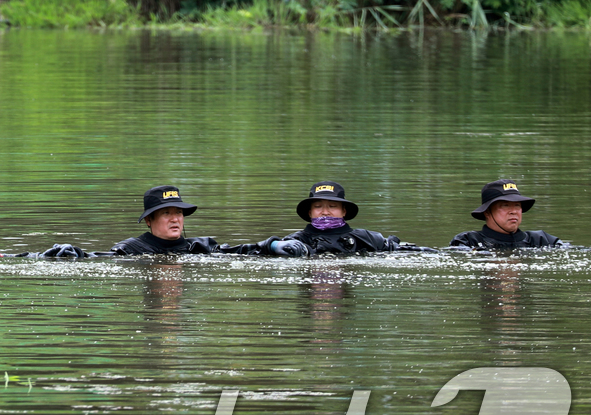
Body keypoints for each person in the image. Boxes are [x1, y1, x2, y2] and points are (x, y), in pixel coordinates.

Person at [255, 181, 430, 256]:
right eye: (318, 207)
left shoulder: (368, 239)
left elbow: (408, 252)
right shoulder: (296, 243)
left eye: (332, 206)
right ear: (309, 212)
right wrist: (273, 245)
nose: (325, 212)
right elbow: (248, 251)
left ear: (344, 211)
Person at [107, 185, 247, 255]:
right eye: (166, 213)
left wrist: (268, 245)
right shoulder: (129, 250)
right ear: (148, 220)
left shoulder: (201, 247)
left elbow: (244, 251)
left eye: (179, 212)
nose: (175, 219)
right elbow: (94, 257)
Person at [449, 179, 563, 249]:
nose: (513, 211)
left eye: (517, 205)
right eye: (505, 205)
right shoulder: (468, 242)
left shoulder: (542, 240)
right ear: (487, 212)